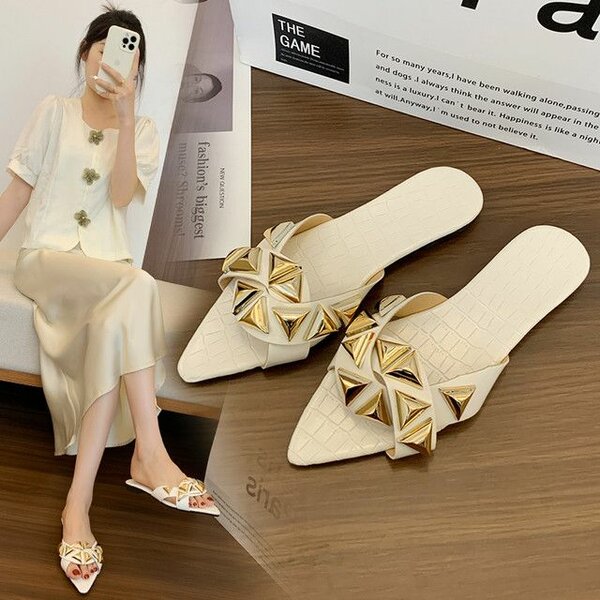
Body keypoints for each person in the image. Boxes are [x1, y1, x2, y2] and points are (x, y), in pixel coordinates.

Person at [0, 4, 218, 593]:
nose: (115, 62)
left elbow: (121, 197)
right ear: (86, 53)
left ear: (138, 69)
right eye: (106, 49)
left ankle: (78, 507)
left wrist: (125, 115)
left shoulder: (141, 131)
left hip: (108, 274)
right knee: (139, 285)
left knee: (114, 327)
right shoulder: (53, 111)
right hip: (48, 262)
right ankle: (151, 452)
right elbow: (16, 194)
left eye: (129, 56)